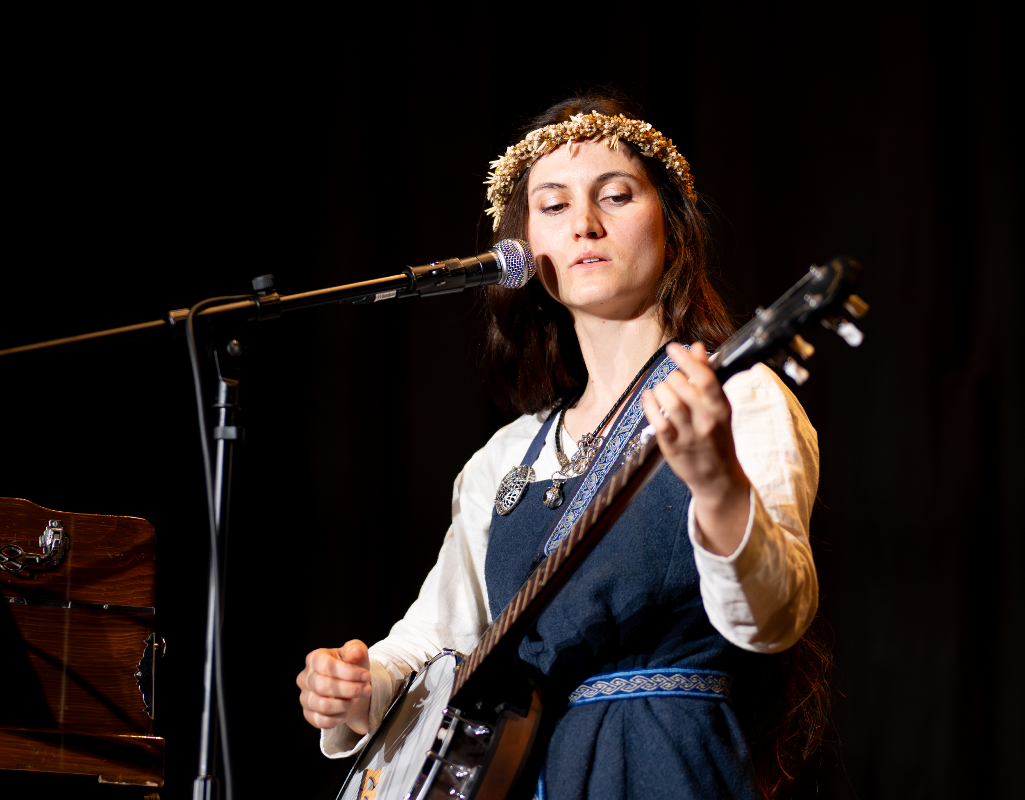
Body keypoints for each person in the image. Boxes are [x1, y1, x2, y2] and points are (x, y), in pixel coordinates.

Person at [295, 96, 823, 799]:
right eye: (553, 205)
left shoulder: (737, 399)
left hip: (667, 764)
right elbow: (434, 641)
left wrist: (719, 487)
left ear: (673, 229)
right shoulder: (507, 457)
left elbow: (777, 617)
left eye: (616, 195)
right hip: (526, 774)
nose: (585, 223)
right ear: (524, 255)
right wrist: (358, 690)